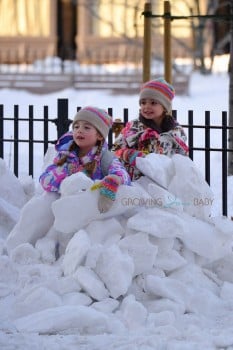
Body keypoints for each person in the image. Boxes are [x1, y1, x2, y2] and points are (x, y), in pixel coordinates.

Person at [40, 106, 131, 213]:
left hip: (92, 215)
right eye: (76, 127)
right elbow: (45, 181)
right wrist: (66, 172)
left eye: (86, 128)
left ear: (100, 136)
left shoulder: (105, 158)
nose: (79, 131)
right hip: (66, 211)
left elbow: (125, 177)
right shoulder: (64, 155)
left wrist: (113, 181)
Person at [112, 78, 189, 180]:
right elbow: (114, 152)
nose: (147, 107)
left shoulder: (176, 132)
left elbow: (183, 157)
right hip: (137, 182)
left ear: (165, 107)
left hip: (165, 182)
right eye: (143, 103)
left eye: (153, 103)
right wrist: (128, 154)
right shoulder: (133, 128)